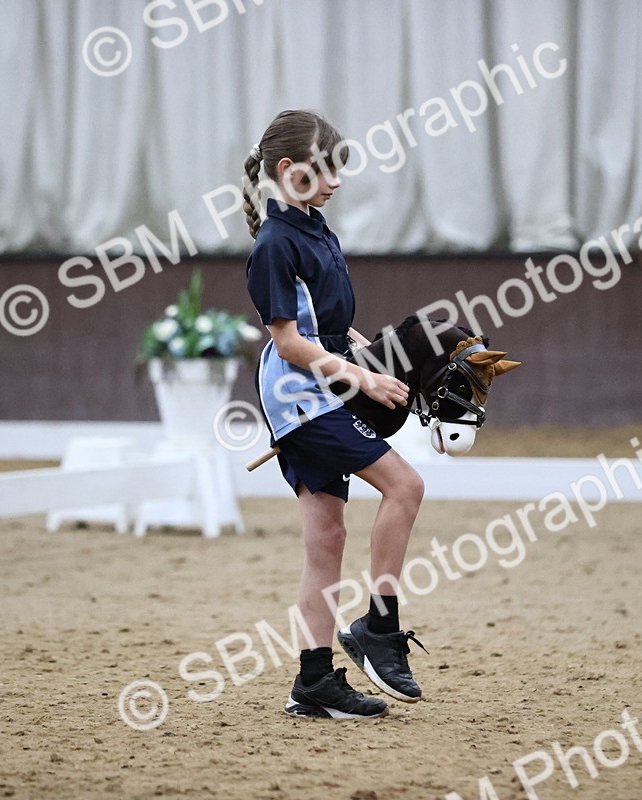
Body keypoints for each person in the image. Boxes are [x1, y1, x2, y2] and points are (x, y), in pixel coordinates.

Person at [243, 109, 427, 719]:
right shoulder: (274, 244)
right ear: (288, 169)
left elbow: (325, 322)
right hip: (301, 397)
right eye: (324, 170)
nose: (336, 182)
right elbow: (289, 341)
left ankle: (314, 681)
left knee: (326, 540)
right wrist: (363, 378)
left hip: (323, 386)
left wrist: (365, 353)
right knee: (404, 485)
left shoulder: (315, 228)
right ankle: (379, 629)